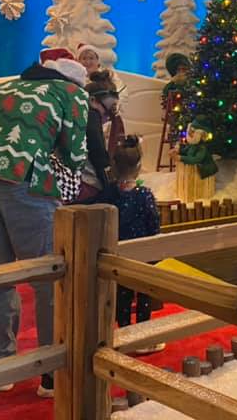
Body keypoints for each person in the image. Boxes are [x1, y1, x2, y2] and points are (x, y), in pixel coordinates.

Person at [0, 47, 89, 397]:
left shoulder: (6, 87)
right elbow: (75, 153)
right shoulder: (71, 93)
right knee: (48, 276)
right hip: (27, 179)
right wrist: (66, 178)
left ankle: (2, 365)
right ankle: (51, 373)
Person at [80, 135, 165, 353]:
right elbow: (154, 223)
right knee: (144, 294)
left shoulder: (109, 193)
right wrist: (156, 250)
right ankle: (142, 339)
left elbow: (91, 207)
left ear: (115, 166)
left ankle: (124, 335)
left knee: (122, 296)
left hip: (117, 254)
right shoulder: (144, 195)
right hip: (143, 254)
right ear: (139, 166)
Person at [75, 69, 122, 203]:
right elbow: (98, 153)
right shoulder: (92, 116)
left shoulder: (79, 113)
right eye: (107, 110)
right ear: (92, 100)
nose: (107, 116)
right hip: (85, 185)